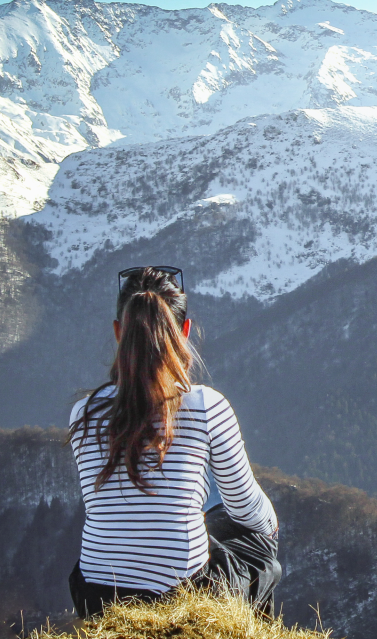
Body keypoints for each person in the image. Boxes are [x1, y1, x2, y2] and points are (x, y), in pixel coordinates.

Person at [67, 264, 281, 618]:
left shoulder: (83, 414)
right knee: (261, 554)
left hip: (95, 596)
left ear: (119, 332)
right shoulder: (205, 405)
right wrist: (271, 526)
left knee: (210, 521)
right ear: (185, 330)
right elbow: (243, 506)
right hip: (177, 596)